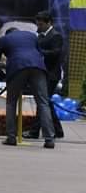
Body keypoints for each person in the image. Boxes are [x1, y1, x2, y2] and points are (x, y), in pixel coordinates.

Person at [0, 27, 55, 148]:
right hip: (38, 67)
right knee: (43, 103)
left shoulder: (3, 40)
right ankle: (49, 139)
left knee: (11, 103)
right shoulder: (32, 36)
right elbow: (40, 53)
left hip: (17, 68)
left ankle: (11, 137)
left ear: (8, 34)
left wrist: (3, 77)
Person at [24, 10, 64, 139]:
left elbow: (56, 53)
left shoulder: (56, 36)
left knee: (42, 102)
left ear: (49, 23)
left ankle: (34, 131)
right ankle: (58, 130)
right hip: (41, 73)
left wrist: (39, 52)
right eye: (37, 24)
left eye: (41, 24)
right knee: (46, 103)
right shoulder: (40, 35)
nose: (38, 27)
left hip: (51, 75)